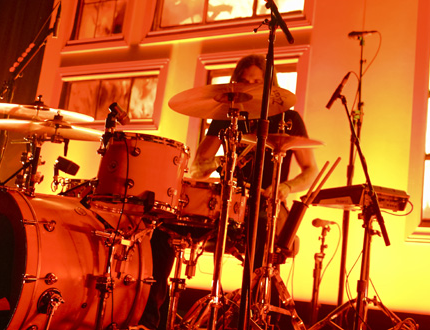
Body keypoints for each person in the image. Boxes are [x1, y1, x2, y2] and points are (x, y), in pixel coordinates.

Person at [135, 54, 318, 330]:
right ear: (235, 82)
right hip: (225, 206)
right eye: (245, 81)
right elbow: (198, 167)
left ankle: (253, 320)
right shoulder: (226, 114)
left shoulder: (288, 118)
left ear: (271, 84)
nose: (251, 86)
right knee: (164, 230)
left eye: (259, 82)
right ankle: (148, 321)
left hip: (264, 206)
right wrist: (219, 162)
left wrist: (284, 188)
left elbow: (310, 170)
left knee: (261, 240)